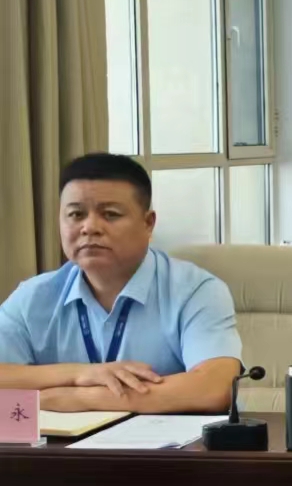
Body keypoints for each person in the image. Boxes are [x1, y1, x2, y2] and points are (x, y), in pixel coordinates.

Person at [0, 153, 242, 413]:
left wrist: (82, 399)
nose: (89, 227)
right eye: (76, 214)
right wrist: (79, 374)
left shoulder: (196, 291)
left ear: (148, 224)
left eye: (110, 214)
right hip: (60, 440)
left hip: (166, 439)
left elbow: (215, 387)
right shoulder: (33, 297)